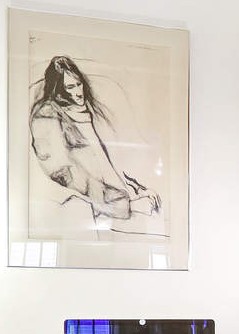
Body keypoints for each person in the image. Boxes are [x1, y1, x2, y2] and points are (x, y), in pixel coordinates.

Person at [30, 55, 161, 225]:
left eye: (79, 84)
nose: (78, 92)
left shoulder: (90, 110)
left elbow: (109, 161)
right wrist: (128, 206)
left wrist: (137, 189)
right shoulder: (46, 116)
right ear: (58, 90)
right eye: (70, 87)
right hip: (103, 209)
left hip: (123, 199)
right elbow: (66, 174)